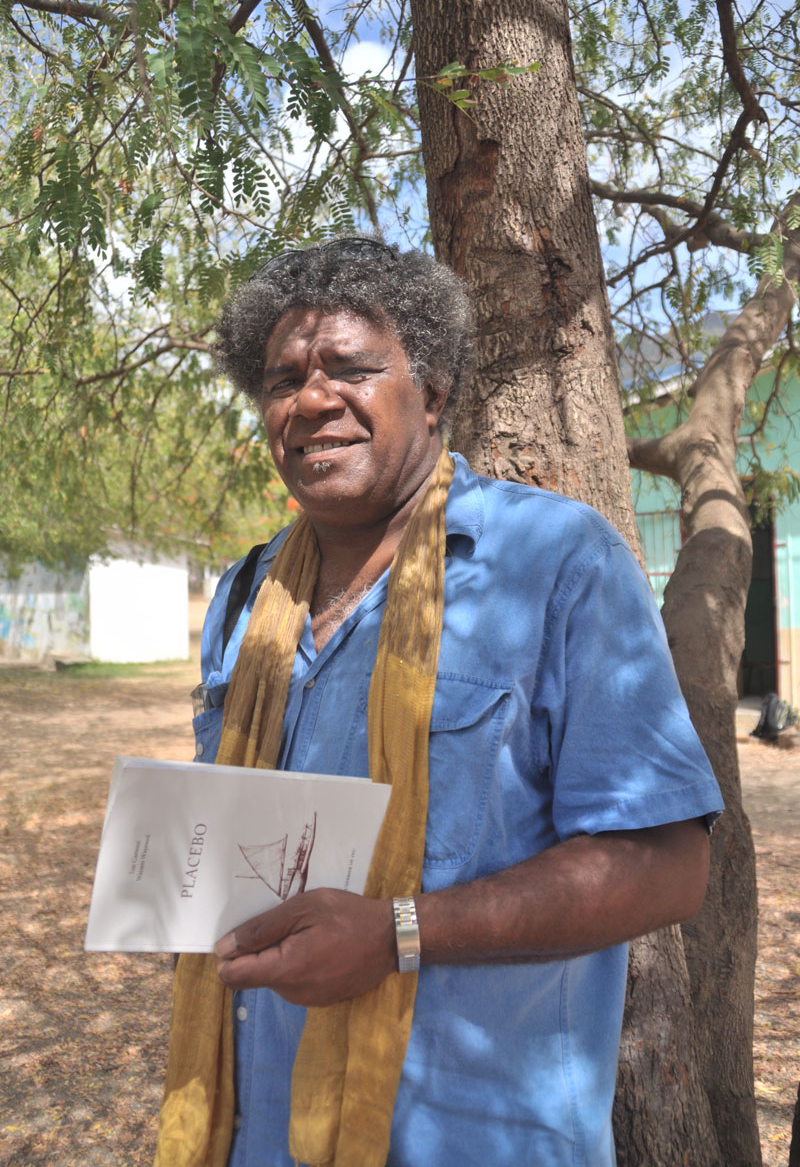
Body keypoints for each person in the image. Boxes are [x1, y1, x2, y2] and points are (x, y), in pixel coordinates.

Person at [155, 237, 723, 1167]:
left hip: (474, 1137)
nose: (310, 401)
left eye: (350, 369)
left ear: (433, 391)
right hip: (256, 1133)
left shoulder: (558, 564)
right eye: (283, 379)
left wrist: (396, 935)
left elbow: (668, 865)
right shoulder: (246, 597)